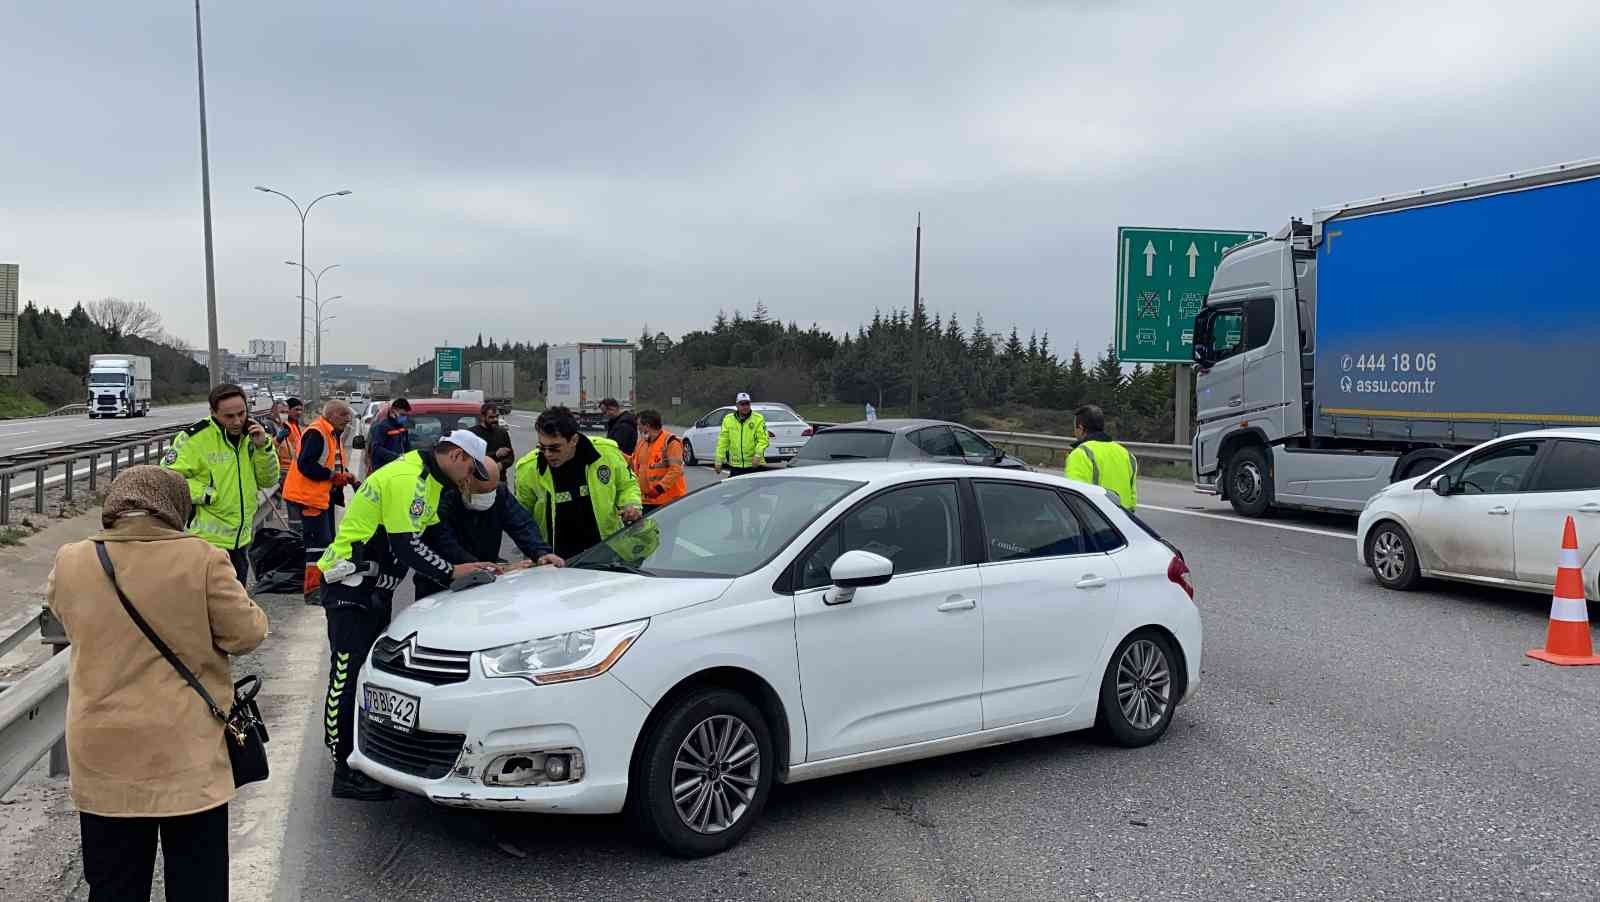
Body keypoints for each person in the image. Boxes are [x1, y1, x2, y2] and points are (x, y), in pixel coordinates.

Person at [48, 466, 268, 902]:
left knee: (113, 885)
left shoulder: (72, 559)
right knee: (196, 884)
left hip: (102, 751)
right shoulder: (202, 558)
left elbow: (65, 616)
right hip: (186, 751)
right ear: (175, 507)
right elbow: (246, 634)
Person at [317, 429, 499, 800]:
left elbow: (436, 536)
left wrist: (478, 566)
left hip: (375, 589)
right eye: (471, 471)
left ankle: (360, 758)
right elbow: (408, 545)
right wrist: (451, 573)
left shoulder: (429, 481)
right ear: (458, 456)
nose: (469, 480)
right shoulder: (407, 478)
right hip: (349, 587)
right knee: (347, 676)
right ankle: (343, 770)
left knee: (369, 677)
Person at [162, 383, 281, 584]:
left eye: (241, 413)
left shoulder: (253, 436)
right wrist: (205, 493)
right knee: (209, 609)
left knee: (235, 609)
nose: (237, 421)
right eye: (229, 416)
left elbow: (268, 480)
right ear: (213, 412)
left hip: (241, 541)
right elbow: (168, 479)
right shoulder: (194, 439)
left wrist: (263, 448)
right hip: (206, 544)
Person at [415, 458, 564, 599]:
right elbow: (444, 544)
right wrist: (495, 569)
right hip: (440, 585)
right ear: (464, 483)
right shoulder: (439, 501)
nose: (489, 497)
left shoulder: (500, 494)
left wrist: (540, 553)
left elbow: (521, 524)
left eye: (492, 490)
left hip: (485, 583)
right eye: (482, 492)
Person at [514, 405, 643, 561]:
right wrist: (535, 552)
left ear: (573, 440)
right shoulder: (528, 469)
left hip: (605, 554)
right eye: (542, 447)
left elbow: (627, 485)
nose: (548, 454)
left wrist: (631, 505)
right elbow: (521, 518)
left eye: (555, 448)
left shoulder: (606, 453)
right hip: (556, 562)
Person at [284, 399, 360, 606]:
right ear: (334, 414)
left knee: (326, 542)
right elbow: (306, 465)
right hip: (309, 498)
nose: (348, 420)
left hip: (321, 497)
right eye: (344, 416)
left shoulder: (330, 433)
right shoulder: (317, 432)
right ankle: (313, 589)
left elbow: (331, 463)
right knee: (317, 546)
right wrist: (332, 476)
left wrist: (345, 476)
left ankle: (323, 584)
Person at [1064, 403, 1139, 511]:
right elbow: (1132, 499)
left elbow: (1073, 497)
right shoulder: (1126, 454)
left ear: (1080, 428)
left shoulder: (1081, 453)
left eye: (1074, 428)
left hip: (1097, 522)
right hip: (1123, 521)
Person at [630, 409, 686, 511]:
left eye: (639, 425)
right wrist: (618, 454)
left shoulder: (670, 442)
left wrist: (659, 488)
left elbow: (676, 470)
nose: (638, 428)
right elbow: (633, 463)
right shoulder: (642, 443)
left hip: (668, 501)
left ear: (647, 425)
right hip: (647, 500)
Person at [716, 392, 769, 478]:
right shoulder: (728, 419)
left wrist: (758, 455)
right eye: (742, 404)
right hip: (735, 465)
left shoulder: (758, 419)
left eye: (747, 403)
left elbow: (763, 439)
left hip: (754, 464)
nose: (745, 407)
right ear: (737, 405)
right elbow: (723, 441)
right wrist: (719, 460)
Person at [366, 397, 412, 475]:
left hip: (400, 469)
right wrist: (396, 457)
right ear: (393, 411)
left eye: (406, 415)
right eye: (402, 414)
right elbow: (376, 448)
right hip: (384, 470)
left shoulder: (403, 427)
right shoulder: (382, 427)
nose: (404, 417)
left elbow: (407, 447)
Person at [471, 402, 516, 481]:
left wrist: (501, 465)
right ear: (482, 417)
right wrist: (495, 454)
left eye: (497, 417)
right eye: (491, 417)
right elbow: (471, 458)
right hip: (479, 481)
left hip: (500, 479)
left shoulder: (502, 433)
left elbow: (510, 457)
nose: (495, 419)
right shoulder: (472, 434)